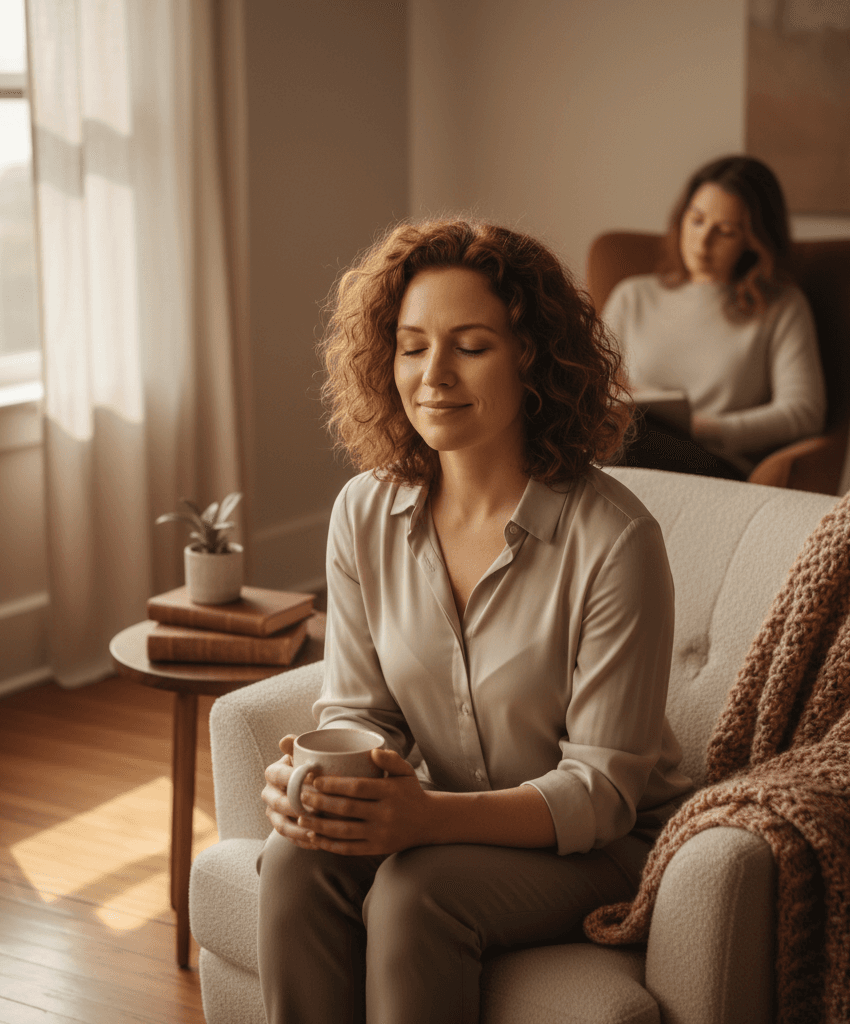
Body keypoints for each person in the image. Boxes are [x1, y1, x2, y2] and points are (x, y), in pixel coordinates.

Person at [258, 219, 693, 1024]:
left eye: (471, 346)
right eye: (413, 345)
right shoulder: (364, 512)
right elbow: (360, 712)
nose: (434, 375)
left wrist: (426, 817)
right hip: (449, 815)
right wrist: (325, 788)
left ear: (531, 358)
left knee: (416, 893)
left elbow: (599, 792)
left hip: (601, 848)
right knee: (293, 862)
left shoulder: (615, 541)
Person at [601, 155, 826, 479]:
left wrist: (705, 428)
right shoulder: (632, 296)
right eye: (696, 220)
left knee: (627, 437)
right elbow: (591, 387)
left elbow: (804, 413)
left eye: (725, 231)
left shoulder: (782, 307)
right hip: (624, 449)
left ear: (754, 241)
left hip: (716, 464)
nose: (703, 242)